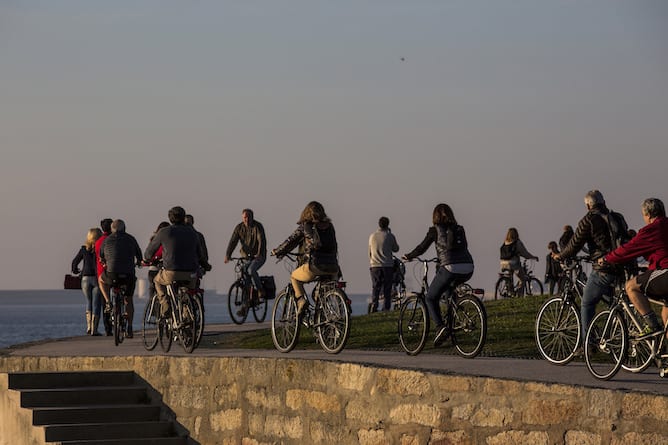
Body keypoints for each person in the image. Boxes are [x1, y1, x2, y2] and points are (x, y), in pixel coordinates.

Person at [553, 190, 629, 346]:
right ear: (604, 202)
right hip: (621, 266)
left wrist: (560, 256)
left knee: (587, 302)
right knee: (612, 302)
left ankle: (588, 343)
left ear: (588, 205)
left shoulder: (589, 220)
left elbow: (574, 245)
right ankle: (616, 334)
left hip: (604, 268)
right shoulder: (617, 217)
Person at [402, 203, 474, 346]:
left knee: (430, 298)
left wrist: (409, 256)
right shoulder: (459, 229)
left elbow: (422, 248)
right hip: (468, 267)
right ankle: (454, 322)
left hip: (449, 267)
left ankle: (440, 327)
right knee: (448, 293)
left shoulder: (435, 230)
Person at [602, 198, 668, 339]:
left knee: (631, 286)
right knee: (666, 316)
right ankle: (664, 356)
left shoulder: (652, 229)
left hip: (665, 272)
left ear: (648, 215)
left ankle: (651, 325)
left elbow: (628, 249)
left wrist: (607, 259)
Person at [271, 201, 339, 316]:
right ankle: (322, 322)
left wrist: (277, 251)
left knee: (294, 277)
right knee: (319, 294)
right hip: (333, 266)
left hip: (315, 264)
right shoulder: (330, 226)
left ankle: (301, 301)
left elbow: (290, 241)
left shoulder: (306, 226)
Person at [144, 206, 207, 319]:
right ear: (183, 218)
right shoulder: (193, 233)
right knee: (187, 293)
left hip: (171, 272)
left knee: (157, 281)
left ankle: (165, 304)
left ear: (170, 219)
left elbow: (149, 252)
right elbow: (200, 255)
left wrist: (147, 258)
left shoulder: (164, 232)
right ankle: (188, 320)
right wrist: (206, 265)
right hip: (191, 273)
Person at [98, 219, 143, 338]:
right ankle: (129, 327)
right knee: (128, 299)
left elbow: (101, 256)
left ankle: (108, 301)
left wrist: (105, 262)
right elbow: (139, 256)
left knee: (101, 280)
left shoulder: (106, 240)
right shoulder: (131, 239)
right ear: (125, 228)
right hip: (128, 274)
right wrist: (138, 262)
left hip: (112, 274)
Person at [224, 209, 267, 316]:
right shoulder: (239, 228)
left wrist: (259, 253)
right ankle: (245, 305)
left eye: (248, 217)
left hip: (259, 256)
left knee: (251, 270)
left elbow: (261, 240)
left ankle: (260, 290)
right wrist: (228, 255)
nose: (246, 219)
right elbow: (233, 241)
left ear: (252, 217)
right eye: (244, 217)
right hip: (246, 256)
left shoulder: (258, 226)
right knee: (244, 277)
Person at [71, 228, 103, 335]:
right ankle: (95, 329)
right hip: (96, 278)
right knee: (96, 303)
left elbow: (75, 262)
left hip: (85, 278)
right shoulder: (100, 248)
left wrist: (75, 270)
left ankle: (89, 327)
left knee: (88, 301)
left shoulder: (83, 249)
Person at [368, 216, 399, 312]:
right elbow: (396, 249)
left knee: (376, 287)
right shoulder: (390, 236)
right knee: (387, 287)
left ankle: (374, 305)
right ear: (388, 224)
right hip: (387, 265)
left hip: (374, 265)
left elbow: (370, 252)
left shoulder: (372, 236)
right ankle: (386, 307)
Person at [499, 227, 539, 296]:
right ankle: (520, 294)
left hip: (503, 263)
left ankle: (511, 292)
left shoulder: (505, 243)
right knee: (522, 278)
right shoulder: (517, 242)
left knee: (510, 277)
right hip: (513, 263)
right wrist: (533, 257)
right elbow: (524, 253)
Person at [94, 218, 113, 336]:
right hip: (114, 271)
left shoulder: (98, 242)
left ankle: (108, 328)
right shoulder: (114, 240)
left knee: (105, 301)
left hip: (102, 273)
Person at [146, 221, 170, 297]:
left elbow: (149, 254)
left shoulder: (154, 239)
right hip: (165, 267)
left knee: (153, 287)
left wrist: (148, 259)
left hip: (155, 267)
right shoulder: (170, 239)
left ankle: (152, 301)